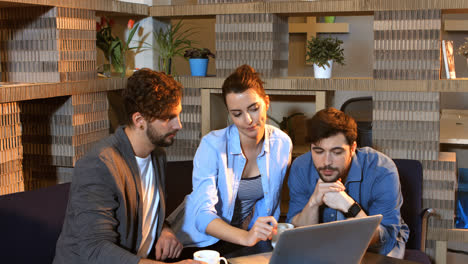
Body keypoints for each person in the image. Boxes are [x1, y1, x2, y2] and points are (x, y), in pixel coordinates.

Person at [53, 69, 203, 264]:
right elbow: (95, 250)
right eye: (168, 118)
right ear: (139, 120)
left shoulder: (156, 155)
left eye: (178, 115)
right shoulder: (99, 164)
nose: (178, 125)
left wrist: (163, 230)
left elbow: (144, 212)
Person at [168, 65, 292, 254]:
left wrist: (255, 238)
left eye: (254, 108)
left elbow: (267, 206)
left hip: (246, 240)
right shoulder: (212, 145)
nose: (248, 120)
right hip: (200, 242)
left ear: (266, 102)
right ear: (230, 114)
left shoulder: (282, 144)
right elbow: (202, 216)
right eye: (237, 114)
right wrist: (246, 238)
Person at [286, 107, 409, 258]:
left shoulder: (382, 170)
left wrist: (350, 207)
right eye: (318, 151)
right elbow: (298, 236)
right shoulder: (301, 167)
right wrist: (313, 203)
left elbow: (384, 241)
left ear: (352, 148)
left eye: (337, 152)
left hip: (375, 250)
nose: (326, 162)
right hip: (324, 246)